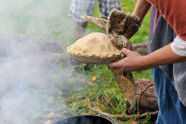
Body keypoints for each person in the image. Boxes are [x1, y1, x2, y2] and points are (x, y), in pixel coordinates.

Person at [109, 0, 186, 123]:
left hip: (181, 54)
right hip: (164, 34)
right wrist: (133, 21)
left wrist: (140, 62)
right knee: (166, 105)